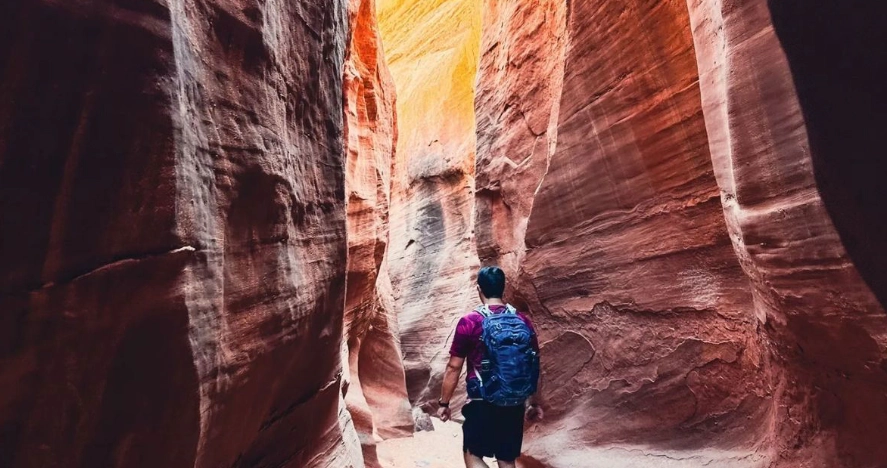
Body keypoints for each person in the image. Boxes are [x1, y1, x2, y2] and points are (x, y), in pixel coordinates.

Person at [437, 266, 543, 468]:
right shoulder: (522, 320)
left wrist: (444, 403)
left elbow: (453, 367)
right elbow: (534, 362)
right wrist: (532, 401)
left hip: (481, 401)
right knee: (506, 459)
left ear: (479, 289)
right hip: (514, 402)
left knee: (473, 455)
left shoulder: (470, 322)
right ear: (503, 289)